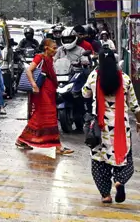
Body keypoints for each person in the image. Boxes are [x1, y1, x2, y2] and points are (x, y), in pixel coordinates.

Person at [82, 47, 139, 204]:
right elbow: (134, 105)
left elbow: (85, 93)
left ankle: (106, 195)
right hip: (121, 129)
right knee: (124, 160)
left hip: (100, 130)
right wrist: (139, 121)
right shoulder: (125, 79)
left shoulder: (94, 77)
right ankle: (119, 181)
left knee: (100, 163)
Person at [17, 37, 73, 155]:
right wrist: (34, 85)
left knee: (42, 116)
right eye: (54, 48)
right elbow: (29, 70)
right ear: (46, 48)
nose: (56, 50)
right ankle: (57, 146)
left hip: (49, 91)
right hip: (42, 92)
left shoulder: (50, 59)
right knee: (48, 116)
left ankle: (22, 139)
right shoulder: (40, 57)